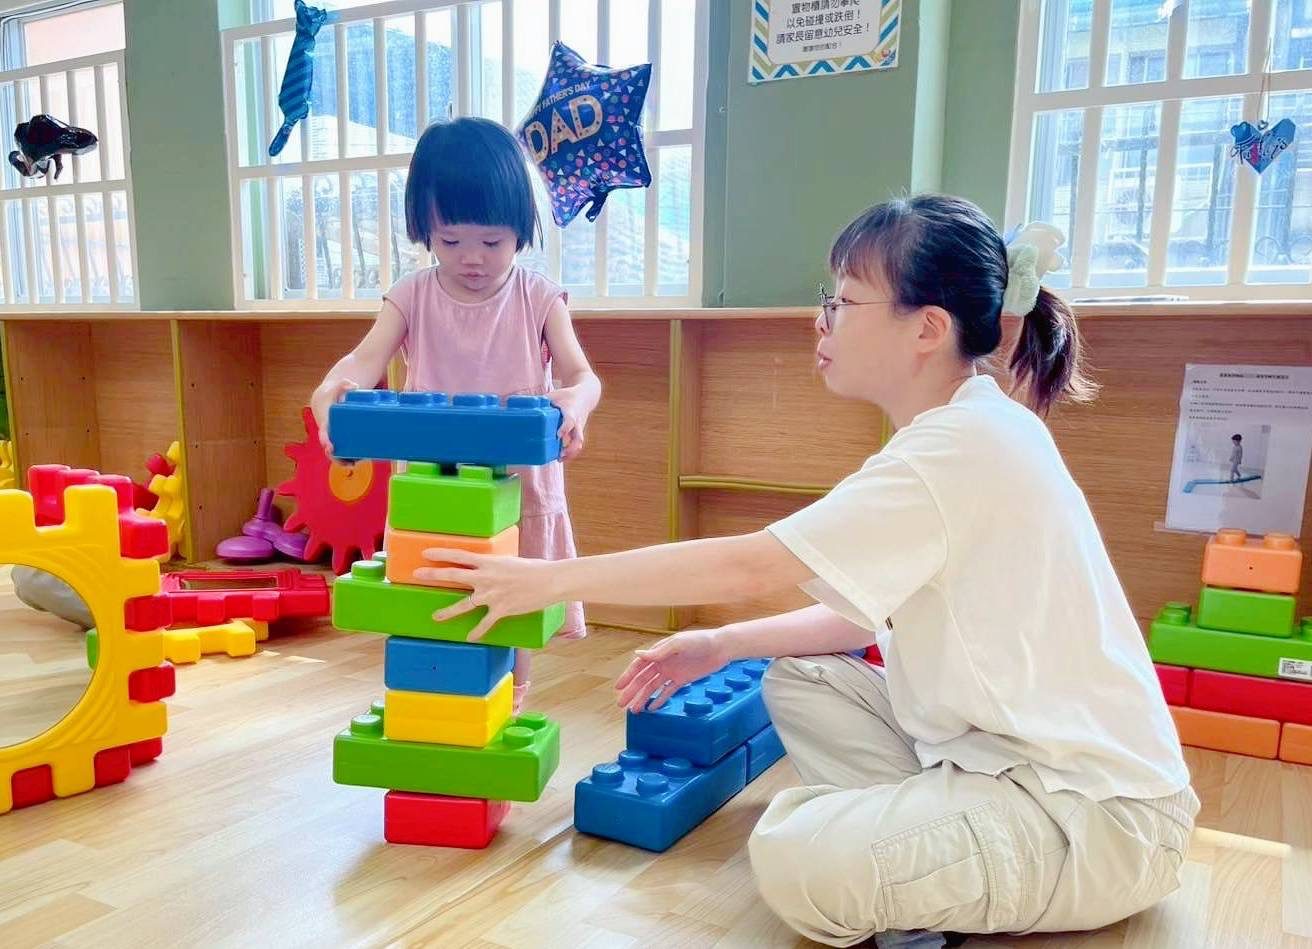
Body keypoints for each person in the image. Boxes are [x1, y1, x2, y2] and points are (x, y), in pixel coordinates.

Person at [412, 194, 1199, 947]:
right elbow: (860, 617)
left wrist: (547, 578)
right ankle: (924, 860)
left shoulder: (957, 446)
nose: (820, 319)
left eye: (843, 301)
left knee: (793, 855)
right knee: (799, 676)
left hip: (1092, 817)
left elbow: (749, 563)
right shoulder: (965, 427)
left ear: (926, 328)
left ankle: (917, 870)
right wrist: (721, 644)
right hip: (1002, 764)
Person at [312, 117, 601, 711]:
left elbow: (582, 375)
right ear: (425, 230)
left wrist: (575, 401)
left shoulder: (539, 297)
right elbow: (363, 360)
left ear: (521, 227)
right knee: (433, 585)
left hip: (518, 486)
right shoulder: (411, 295)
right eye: (450, 241)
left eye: (491, 242)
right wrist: (333, 390)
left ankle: (511, 697)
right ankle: (433, 694)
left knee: (514, 593)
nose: (472, 259)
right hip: (435, 487)